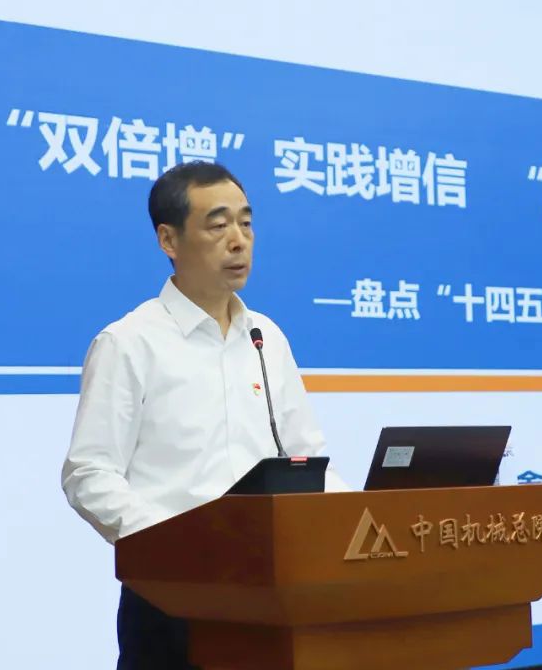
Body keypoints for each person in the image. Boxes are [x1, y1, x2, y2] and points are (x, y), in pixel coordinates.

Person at [61, 161, 346, 670]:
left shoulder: (266, 338)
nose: (238, 240)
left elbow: (307, 459)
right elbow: (88, 473)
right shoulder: (129, 343)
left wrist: (361, 525)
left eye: (246, 223)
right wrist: (173, 545)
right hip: (171, 597)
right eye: (218, 225)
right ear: (168, 240)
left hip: (268, 593)